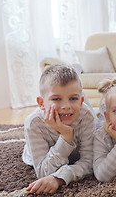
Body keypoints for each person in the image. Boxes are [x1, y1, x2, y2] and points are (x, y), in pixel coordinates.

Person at [22, 64, 96, 194]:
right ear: (41, 103)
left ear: (81, 100)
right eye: (56, 99)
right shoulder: (33, 123)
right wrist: (66, 136)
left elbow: (89, 162)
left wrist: (59, 178)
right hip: (41, 154)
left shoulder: (86, 115)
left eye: (73, 98)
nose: (66, 106)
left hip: (68, 154)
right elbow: (44, 172)